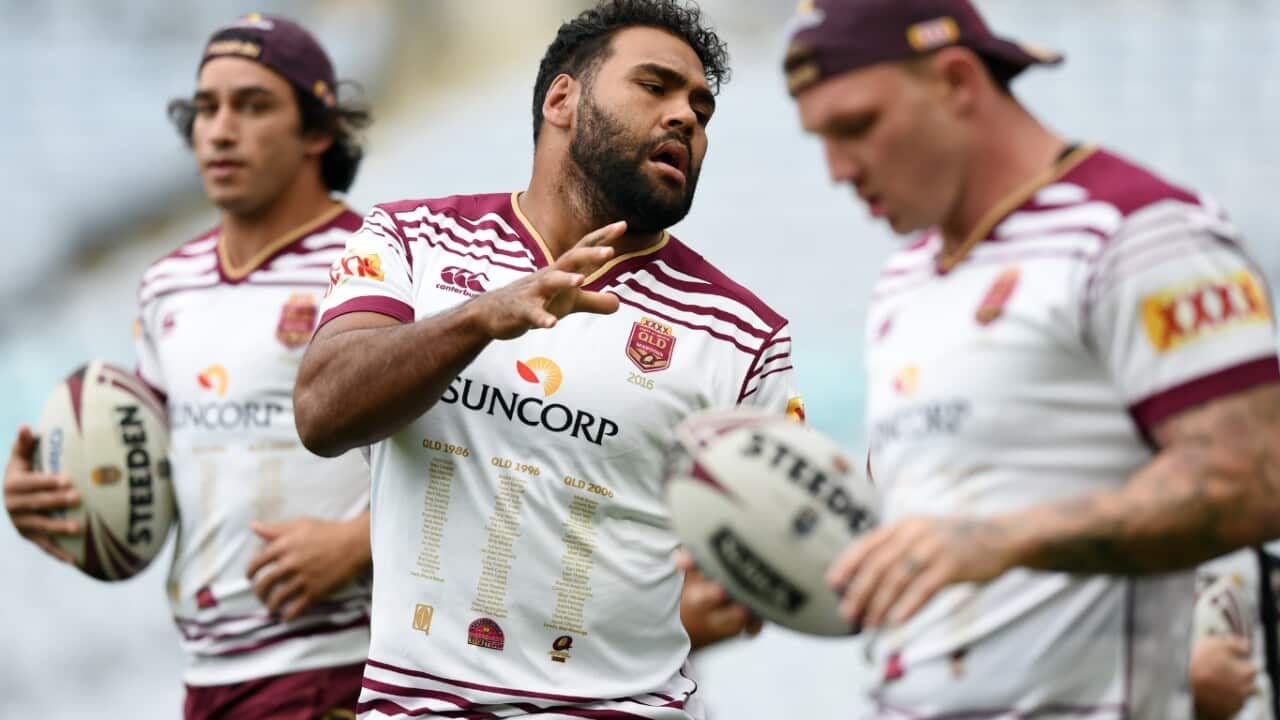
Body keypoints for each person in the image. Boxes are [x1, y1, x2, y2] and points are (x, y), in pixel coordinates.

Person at [292, 0, 802, 717]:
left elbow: (766, 565)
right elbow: (322, 412)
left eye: (702, 109)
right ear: (562, 98)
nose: (686, 118)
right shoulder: (410, 241)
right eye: (655, 87)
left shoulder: (743, 336)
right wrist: (478, 319)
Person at [783, 0, 1280, 716]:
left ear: (956, 82)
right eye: (819, 138)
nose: (836, 168)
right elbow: (928, 527)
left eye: (856, 126)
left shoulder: (1139, 236)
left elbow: (1255, 480)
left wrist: (1006, 540)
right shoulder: (906, 278)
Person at [4, 14, 375, 719]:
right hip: (210, 674)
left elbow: (474, 454)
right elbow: (157, 468)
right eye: (206, 108)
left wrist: (360, 543)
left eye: (253, 104)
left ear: (319, 132)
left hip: (338, 667)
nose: (220, 129)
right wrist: (56, 501)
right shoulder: (166, 284)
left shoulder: (378, 263)